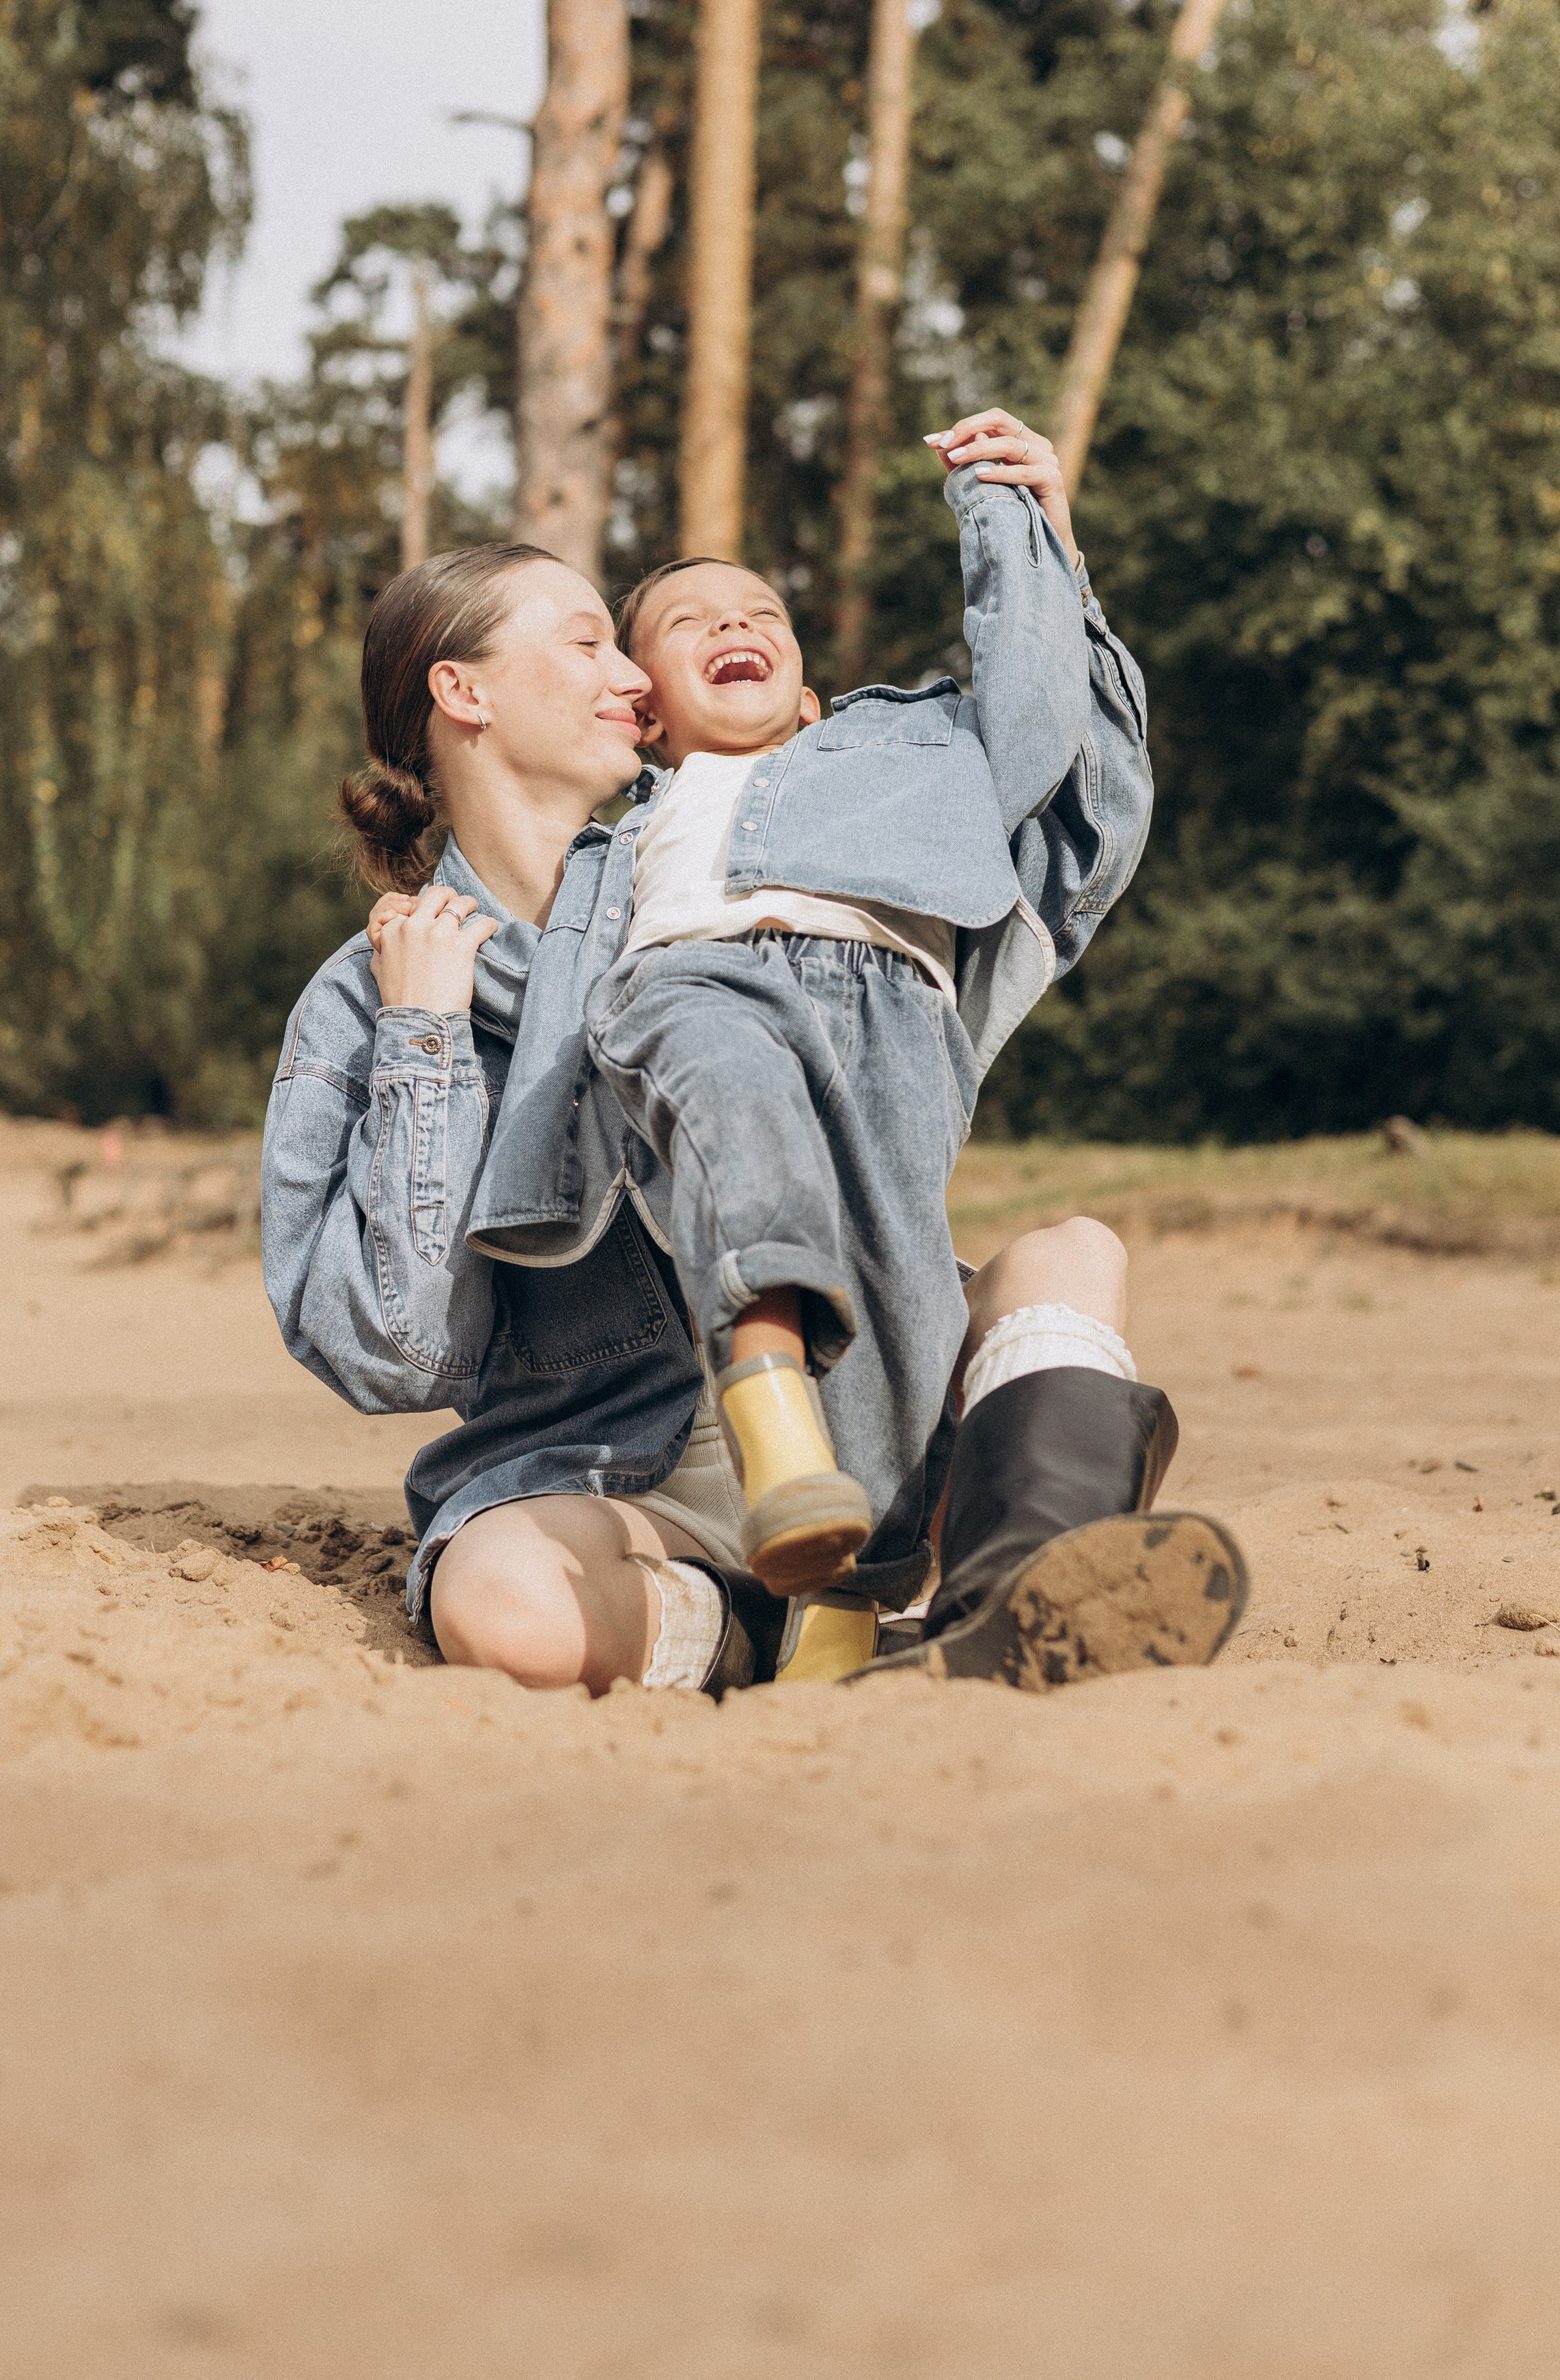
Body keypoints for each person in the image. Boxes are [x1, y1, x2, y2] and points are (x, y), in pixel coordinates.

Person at [262, 463, 1244, 1697]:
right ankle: (789, 1637)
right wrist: (426, 1045)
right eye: (587, 644)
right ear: (463, 692)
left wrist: (1048, 556)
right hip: (625, 1481)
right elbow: (400, 1358)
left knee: (1071, 1258)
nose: (631, 674)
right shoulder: (367, 997)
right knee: (497, 1600)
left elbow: (1055, 822)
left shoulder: (737, 867)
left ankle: (1019, 1591)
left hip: (876, 1427)